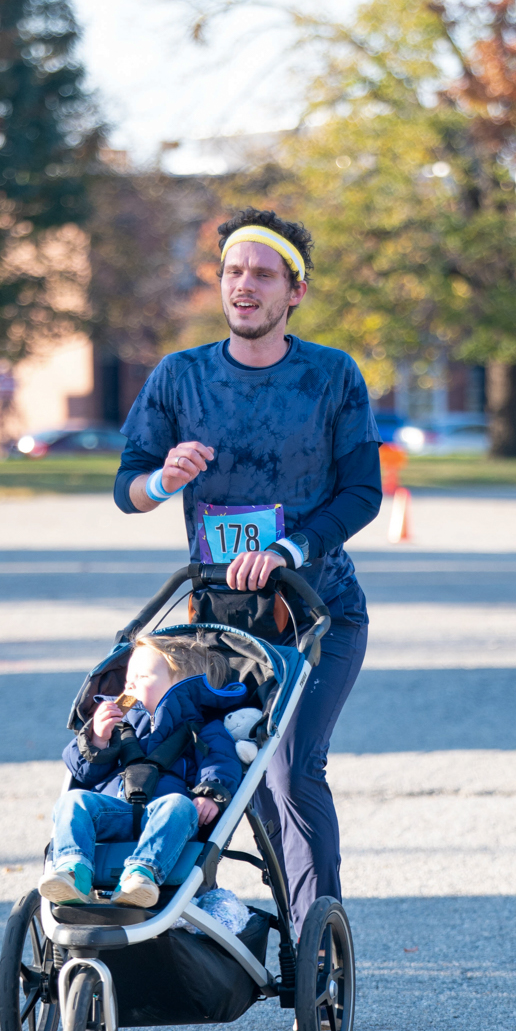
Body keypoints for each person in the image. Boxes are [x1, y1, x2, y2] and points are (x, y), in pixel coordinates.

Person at [115, 206, 382, 935]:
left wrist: (289, 549)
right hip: (219, 628)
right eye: (234, 272)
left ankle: (318, 941)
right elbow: (128, 490)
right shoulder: (179, 378)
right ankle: (218, 918)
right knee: (228, 778)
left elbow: (363, 492)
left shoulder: (330, 376)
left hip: (315, 613)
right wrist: (165, 479)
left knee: (290, 772)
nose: (245, 286)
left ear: (293, 292)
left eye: (262, 275)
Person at [44, 635, 244, 908]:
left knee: (180, 805)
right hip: (113, 813)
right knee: (72, 800)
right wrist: (97, 739)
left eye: (142, 676)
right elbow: (84, 773)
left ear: (181, 685)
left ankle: (141, 875)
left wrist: (210, 794)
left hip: (163, 820)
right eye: (128, 678)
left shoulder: (203, 729)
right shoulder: (117, 724)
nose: (130, 685)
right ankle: (72, 870)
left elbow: (221, 762)